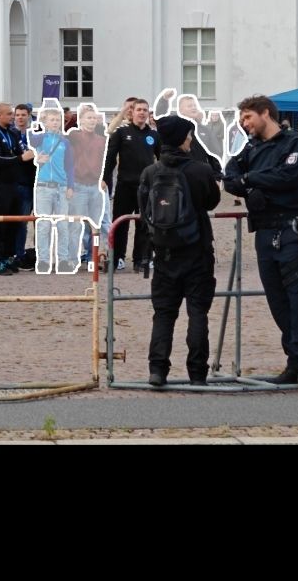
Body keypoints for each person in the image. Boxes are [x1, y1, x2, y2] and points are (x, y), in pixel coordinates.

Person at [223, 95, 298, 388]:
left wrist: (251, 180)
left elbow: (287, 177)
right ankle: (293, 359)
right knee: (277, 300)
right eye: (242, 118)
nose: (244, 123)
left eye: (248, 117)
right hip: (265, 232)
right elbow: (229, 175)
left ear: (266, 113)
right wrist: (251, 184)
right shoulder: (251, 148)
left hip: (293, 231)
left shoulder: (296, 144)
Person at [138, 114, 221, 387]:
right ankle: (197, 372)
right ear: (183, 138)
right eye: (188, 135)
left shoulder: (151, 172)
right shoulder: (200, 170)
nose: (190, 140)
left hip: (163, 253)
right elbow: (212, 201)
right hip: (196, 250)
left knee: (163, 313)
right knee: (197, 312)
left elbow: (144, 210)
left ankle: (157, 370)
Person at [103, 98, 159, 271]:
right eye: (138, 110)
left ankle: (141, 259)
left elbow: (163, 158)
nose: (142, 113)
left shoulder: (154, 135)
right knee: (120, 223)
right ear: (132, 112)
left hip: (147, 187)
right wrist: (104, 178)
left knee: (145, 223)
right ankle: (118, 257)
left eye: (145, 110)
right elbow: (110, 158)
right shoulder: (121, 133)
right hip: (125, 185)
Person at [0, 102, 33, 274]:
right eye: (8, 114)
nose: (12, 116)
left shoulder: (12, 133)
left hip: (14, 184)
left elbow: (22, 152)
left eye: (12, 113)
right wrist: (20, 158)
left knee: (12, 224)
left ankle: (8, 257)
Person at [30, 100, 76, 273]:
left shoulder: (65, 142)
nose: (55, 123)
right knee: (43, 225)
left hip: (61, 186)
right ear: (46, 122)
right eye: (52, 120)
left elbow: (70, 165)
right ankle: (43, 260)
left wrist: (70, 186)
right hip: (43, 187)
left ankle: (63, 259)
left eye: (58, 120)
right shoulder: (41, 138)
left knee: (63, 225)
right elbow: (31, 139)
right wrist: (37, 124)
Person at [68, 104, 109, 269]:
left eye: (94, 118)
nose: (92, 121)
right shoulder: (75, 135)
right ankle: (72, 259)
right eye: (88, 118)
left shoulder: (101, 140)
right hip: (79, 185)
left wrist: (104, 178)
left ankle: (95, 258)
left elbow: (107, 161)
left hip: (95, 186)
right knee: (76, 224)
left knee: (97, 226)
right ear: (81, 120)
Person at [11, 104, 37, 269]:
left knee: (40, 222)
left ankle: (39, 254)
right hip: (20, 183)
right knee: (21, 221)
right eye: (17, 115)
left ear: (29, 116)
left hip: (38, 182)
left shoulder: (35, 135)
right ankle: (18, 254)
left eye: (23, 114)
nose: (20, 117)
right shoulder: (10, 134)